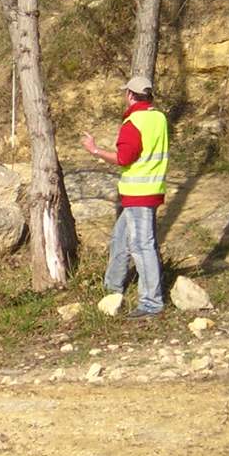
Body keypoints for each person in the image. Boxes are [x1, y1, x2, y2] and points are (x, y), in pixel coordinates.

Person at [81, 75, 169, 318]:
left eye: (125, 93)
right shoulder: (159, 118)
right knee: (120, 239)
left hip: (138, 194)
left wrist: (95, 150)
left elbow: (123, 158)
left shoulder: (133, 123)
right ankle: (112, 289)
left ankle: (152, 303)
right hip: (151, 190)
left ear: (130, 95)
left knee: (142, 246)